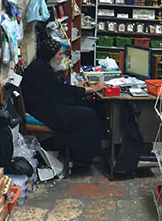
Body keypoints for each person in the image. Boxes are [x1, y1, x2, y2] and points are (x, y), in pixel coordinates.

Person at [22, 38, 105, 167]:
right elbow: (61, 92)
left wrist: (78, 88)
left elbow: (57, 89)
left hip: (46, 105)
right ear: (50, 55)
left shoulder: (41, 66)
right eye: (60, 54)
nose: (62, 57)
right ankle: (81, 158)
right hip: (45, 110)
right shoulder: (40, 69)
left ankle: (94, 151)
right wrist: (92, 89)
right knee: (89, 114)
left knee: (93, 105)